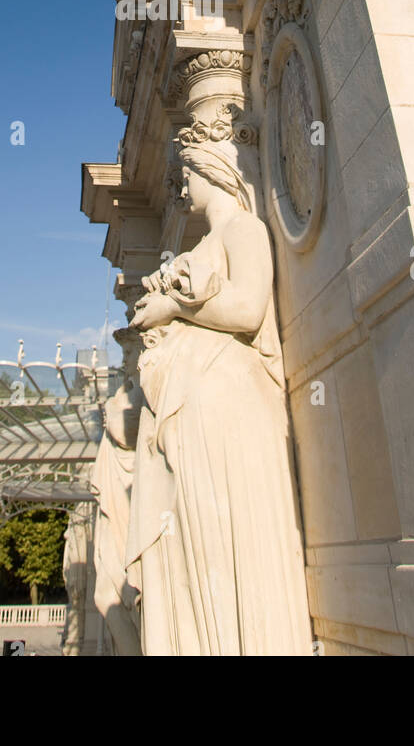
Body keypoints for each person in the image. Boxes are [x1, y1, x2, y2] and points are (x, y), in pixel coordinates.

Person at [125, 126, 312, 655]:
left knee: (228, 534)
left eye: (186, 174)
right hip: (191, 407)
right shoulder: (205, 243)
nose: (181, 188)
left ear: (213, 171)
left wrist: (174, 306)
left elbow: (250, 309)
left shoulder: (244, 230)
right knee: (189, 540)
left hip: (224, 399)